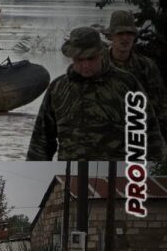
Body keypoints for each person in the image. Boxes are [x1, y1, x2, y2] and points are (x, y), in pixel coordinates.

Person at [27, 26, 167, 160]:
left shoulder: (127, 85)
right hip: (71, 174)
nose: (85, 65)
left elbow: (150, 135)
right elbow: (41, 142)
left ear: (101, 54)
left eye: (91, 58)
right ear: (72, 58)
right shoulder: (57, 89)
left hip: (117, 174)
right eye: (80, 60)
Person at [105, 10, 167, 144]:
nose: (125, 38)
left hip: (139, 136)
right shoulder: (99, 65)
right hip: (105, 139)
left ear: (134, 36)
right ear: (111, 36)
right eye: (120, 33)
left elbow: (160, 107)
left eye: (129, 33)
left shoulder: (147, 66)